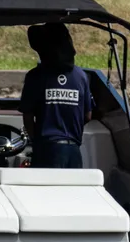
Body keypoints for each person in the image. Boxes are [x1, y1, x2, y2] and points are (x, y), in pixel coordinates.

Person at [19, 23, 93, 169]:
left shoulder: (36, 76)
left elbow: (27, 115)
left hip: (47, 149)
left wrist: (36, 141)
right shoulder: (81, 76)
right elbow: (88, 115)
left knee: (45, 191)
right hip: (74, 151)